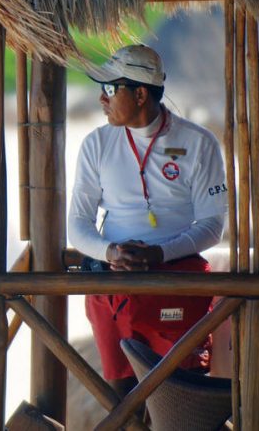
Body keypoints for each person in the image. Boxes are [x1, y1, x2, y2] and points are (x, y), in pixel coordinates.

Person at [69, 44, 228, 397]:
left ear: (140, 94)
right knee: (122, 396)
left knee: (183, 394)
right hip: (114, 283)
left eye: (110, 89)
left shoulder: (199, 143)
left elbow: (212, 225)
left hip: (177, 278)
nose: (101, 98)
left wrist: (160, 255)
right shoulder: (96, 144)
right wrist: (111, 252)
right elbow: (77, 225)